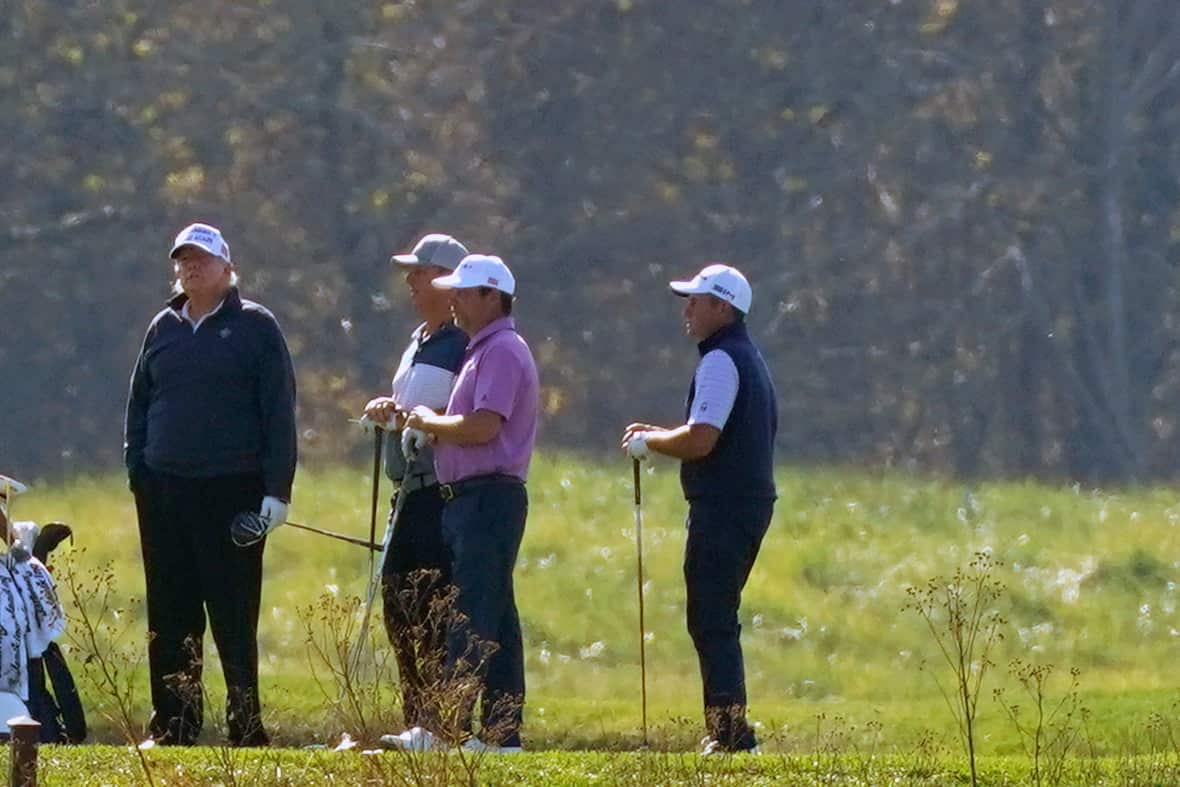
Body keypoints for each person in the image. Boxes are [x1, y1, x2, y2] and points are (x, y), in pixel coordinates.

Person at [124, 222, 297, 747]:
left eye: (201, 259)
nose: (190, 267)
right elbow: (140, 403)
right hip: (165, 492)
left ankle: (245, 725)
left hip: (233, 491)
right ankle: (174, 724)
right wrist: (139, 472)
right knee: (171, 611)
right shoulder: (164, 327)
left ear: (226, 267)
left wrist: (276, 493)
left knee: (232, 611)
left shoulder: (255, 327)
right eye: (183, 259)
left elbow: (278, 412)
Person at [384, 254, 539, 753]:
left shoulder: (502, 351)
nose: (452, 299)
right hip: (471, 498)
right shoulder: (480, 349)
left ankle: (444, 726)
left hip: (488, 496)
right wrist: (425, 427)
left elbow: (482, 426)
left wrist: (426, 421)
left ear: (491, 298)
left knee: (470, 612)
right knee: (497, 617)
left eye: (463, 292)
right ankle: (502, 734)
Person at [620, 263, 777, 755]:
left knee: (711, 618)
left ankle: (732, 737)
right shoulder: (743, 356)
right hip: (744, 503)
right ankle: (729, 731)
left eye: (696, 301)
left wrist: (651, 441)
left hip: (725, 507)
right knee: (714, 616)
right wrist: (660, 437)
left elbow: (701, 439)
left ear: (722, 307)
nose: (686, 310)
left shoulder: (721, 360)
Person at [361, 234, 469, 730]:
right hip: (405, 494)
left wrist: (414, 417)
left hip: (437, 495)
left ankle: (441, 723)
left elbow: (465, 415)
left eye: (420, 273)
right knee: (399, 603)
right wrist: (387, 408)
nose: (409, 280)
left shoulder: (464, 343)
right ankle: (417, 719)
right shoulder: (418, 341)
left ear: (447, 281)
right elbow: (412, 406)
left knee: (432, 609)